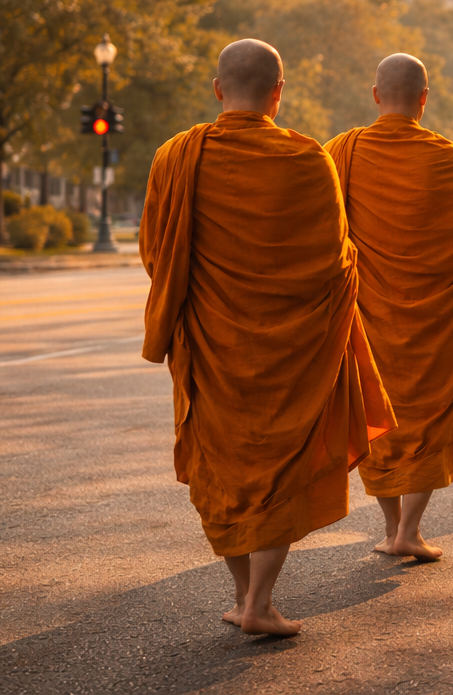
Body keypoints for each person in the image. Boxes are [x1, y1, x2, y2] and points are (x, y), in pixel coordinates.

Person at [140, 38, 394, 636]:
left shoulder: (177, 156)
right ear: (280, 92)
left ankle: (243, 596)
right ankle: (260, 601)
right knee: (281, 461)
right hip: (292, 351)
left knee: (225, 466)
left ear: (217, 88)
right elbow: (337, 262)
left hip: (212, 341)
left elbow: (158, 252)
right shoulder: (310, 160)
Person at [324, 54, 453, 561]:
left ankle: (393, 527)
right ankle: (409, 528)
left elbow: (327, 234)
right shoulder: (449, 157)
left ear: (375, 94)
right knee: (427, 416)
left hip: (369, 312)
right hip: (435, 319)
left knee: (376, 410)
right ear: (424, 99)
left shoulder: (343, 151)